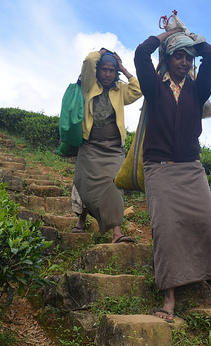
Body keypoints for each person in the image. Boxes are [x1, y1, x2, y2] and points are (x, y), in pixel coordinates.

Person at [134, 28, 211, 322]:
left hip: (190, 168)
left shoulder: (197, 91)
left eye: (188, 58)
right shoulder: (153, 86)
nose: (184, 62)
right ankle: (169, 297)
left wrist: (197, 40)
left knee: (208, 219)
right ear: (168, 59)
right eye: (178, 56)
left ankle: (202, 280)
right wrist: (167, 35)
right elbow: (140, 54)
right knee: (167, 227)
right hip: (159, 168)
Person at [73, 49, 142, 243]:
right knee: (84, 182)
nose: (108, 74)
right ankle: (81, 218)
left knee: (114, 185)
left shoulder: (120, 90)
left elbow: (138, 90)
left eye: (112, 70)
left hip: (113, 148)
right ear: (97, 70)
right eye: (104, 69)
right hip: (90, 145)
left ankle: (116, 233)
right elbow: (88, 60)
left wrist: (124, 69)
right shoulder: (89, 85)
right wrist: (101, 52)